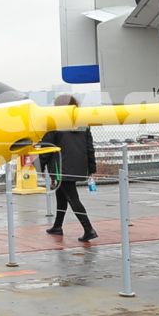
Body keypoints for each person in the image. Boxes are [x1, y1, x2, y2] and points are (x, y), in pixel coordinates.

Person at [41, 96, 97, 242]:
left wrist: (41, 167)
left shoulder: (54, 122)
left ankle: (89, 229)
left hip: (60, 166)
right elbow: (89, 147)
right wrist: (91, 167)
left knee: (72, 198)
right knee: (62, 195)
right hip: (78, 165)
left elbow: (47, 147)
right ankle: (57, 226)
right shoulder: (83, 122)